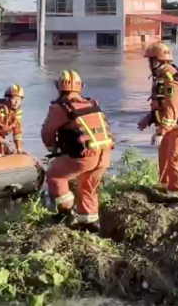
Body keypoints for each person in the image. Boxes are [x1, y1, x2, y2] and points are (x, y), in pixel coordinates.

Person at [41, 70, 114, 233]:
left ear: (59, 88)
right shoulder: (91, 103)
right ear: (80, 87)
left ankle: (66, 213)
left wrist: (52, 148)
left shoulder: (61, 107)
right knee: (87, 186)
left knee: (55, 175)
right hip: (105, 154)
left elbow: (47, 133)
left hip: (85, 156)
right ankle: (90, 225)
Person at [137, 43, 178, 195]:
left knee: (175, 160)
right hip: (171, 124)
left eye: (150, 60)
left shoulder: (171, 80)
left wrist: (160, 132)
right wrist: (149, 118)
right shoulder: (160, 76)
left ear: (157, 61)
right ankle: (165, 188)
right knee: (164, 158)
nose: (148, 64)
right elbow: (161, 104)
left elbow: (173, 110)